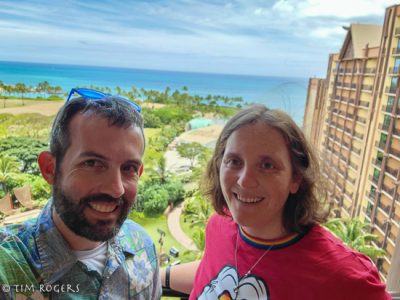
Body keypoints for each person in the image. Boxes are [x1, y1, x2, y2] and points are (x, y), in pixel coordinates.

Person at [162, 104, 390, 299]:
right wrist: (153, 275)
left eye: (267, 165)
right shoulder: (219, 225)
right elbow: (212, 270)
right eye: (234, 161)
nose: (245, 181)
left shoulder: (342, 274)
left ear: (296, 179)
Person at [0, 88, 161, 299]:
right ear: (50, 169)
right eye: (92, 163)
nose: (116, 188)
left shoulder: (142, 246)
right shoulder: (7, 265)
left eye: (128, 168)